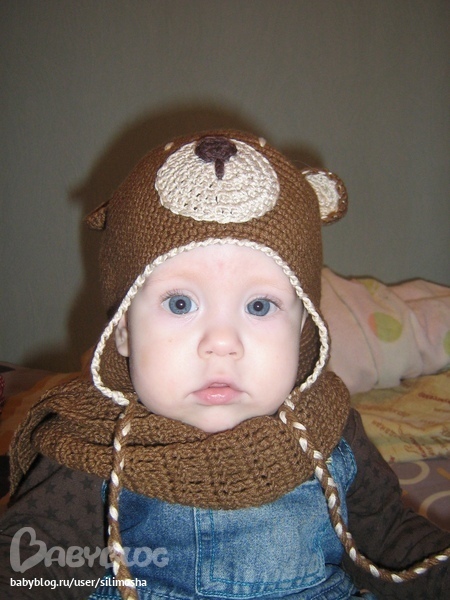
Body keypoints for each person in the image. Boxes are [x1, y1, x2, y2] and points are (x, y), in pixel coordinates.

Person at [1, 130, 449, 600]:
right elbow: (33, 565)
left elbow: (392, 543)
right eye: (179, 303)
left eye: (259, 306)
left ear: (303, 329)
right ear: (124, 331)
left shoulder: (331, 430)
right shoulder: (93, 445)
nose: (221, 343)